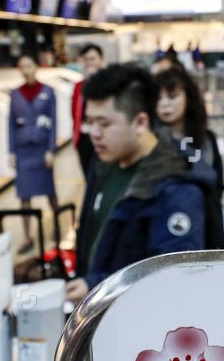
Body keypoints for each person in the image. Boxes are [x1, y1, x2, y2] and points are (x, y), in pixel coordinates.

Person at [65, 65, 214, 303]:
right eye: (89, 121)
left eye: (104, 123)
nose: (93, 132)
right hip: (98, 316)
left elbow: (175, 282)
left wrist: (95, 286)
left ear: (141, 122)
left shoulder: (177, 190)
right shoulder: (103, 165)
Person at [8, 55, 58, 241]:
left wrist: (51, 149)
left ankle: (56, 226)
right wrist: (11, 151)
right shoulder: (15, 94)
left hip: (41, 149)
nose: (26, 70)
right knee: (24, 195)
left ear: (36, 67)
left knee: (50, 191)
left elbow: (53, 123)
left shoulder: (48, 92)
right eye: (22, 66)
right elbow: (11, 124)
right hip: (23, 151)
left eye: (29, 65)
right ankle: (27, 237)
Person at [155, 66, 224, 193]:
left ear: (188, 97)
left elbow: (218, 185)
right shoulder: (150, 139)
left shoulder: (207, 139)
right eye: (158, 98)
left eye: (172, 96)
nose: (164, 104)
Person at [70, 44, 104, 181]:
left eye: (93, 59)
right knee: (87, 176)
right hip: (83, 137)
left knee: (102, 175)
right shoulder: (79, 85)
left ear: (101, 60)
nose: (89, 63)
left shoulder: (107, 83)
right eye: (86, 60)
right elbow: (74, 112)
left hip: (102, 135)